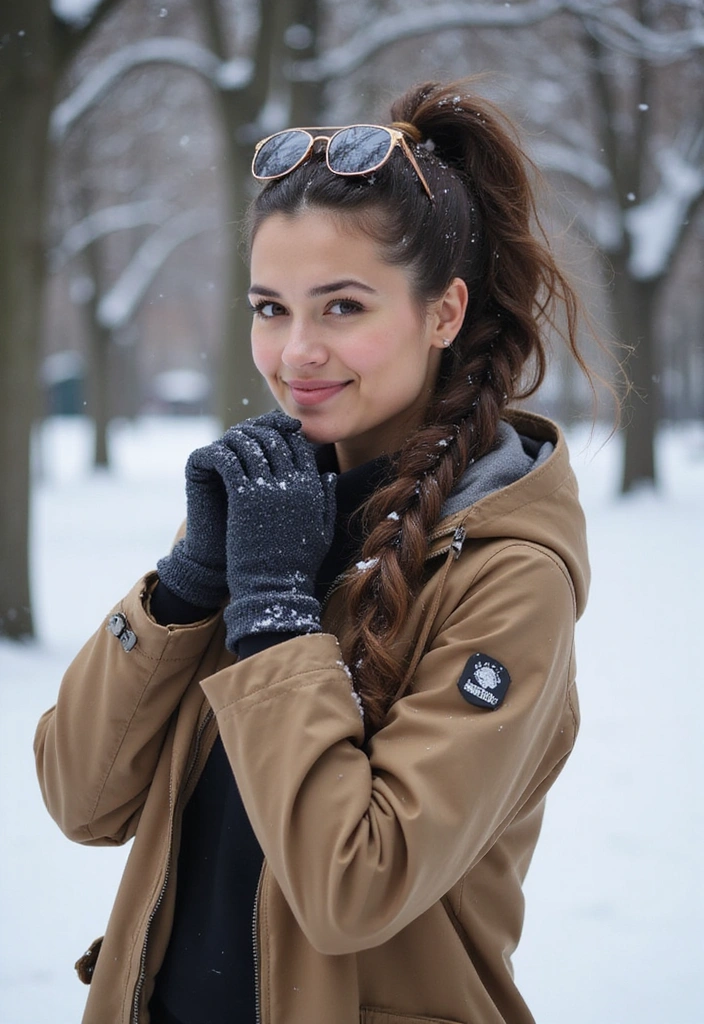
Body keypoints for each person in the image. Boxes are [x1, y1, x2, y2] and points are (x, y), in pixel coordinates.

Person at [35, 79, 593, 1024]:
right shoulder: (269, 513)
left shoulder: (507, 577)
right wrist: (187, 586)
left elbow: (355, 889)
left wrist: (274, 617)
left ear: (443, 313)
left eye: (341, 307)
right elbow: (82, 798)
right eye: (269, 307)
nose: (294, 352)